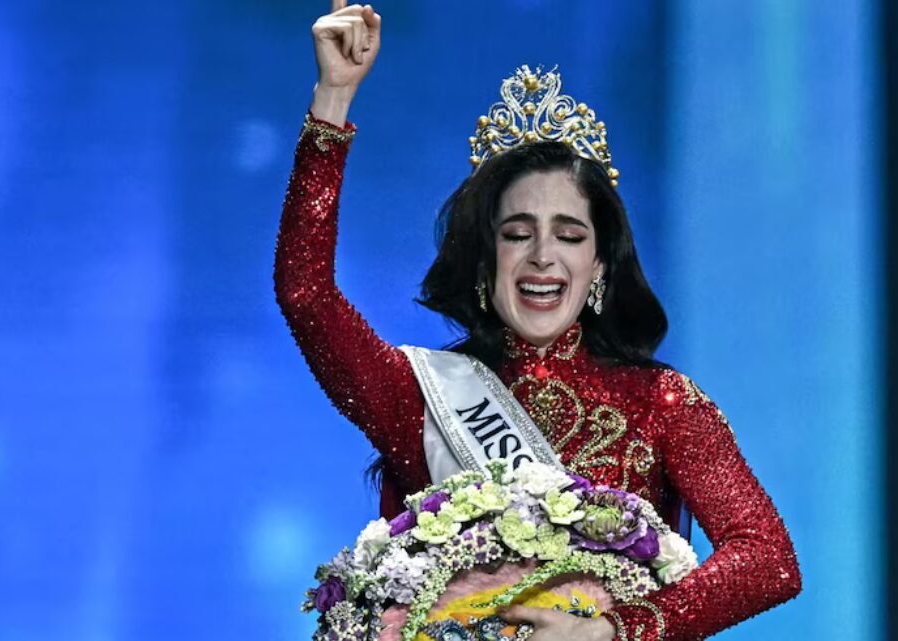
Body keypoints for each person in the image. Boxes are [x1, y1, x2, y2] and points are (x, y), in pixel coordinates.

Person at [274, 3, 802, 639]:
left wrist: (615, 631)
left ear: (599, 265)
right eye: (517, 233)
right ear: (485, 259)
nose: (543, 256)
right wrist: (333, 98)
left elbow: (768, 559)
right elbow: (305, 293)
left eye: (569, 235)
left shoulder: (662, 403)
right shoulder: (418, 395)